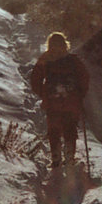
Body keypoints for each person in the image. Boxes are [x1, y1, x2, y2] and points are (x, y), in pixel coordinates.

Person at [31, 32, 89, 169]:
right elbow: (84, 77)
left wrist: (42, 93)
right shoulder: (73, 60)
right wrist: (80, 94)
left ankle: (56, 157)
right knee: (70, 128)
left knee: (54, 129)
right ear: (65, 44)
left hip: (52, 101)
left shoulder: (45, 58)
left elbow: (35, 78)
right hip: (71, 100)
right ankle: (69, 156)